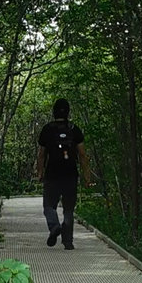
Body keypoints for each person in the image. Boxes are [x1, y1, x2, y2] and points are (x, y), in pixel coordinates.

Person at [36, 98, 91, 250]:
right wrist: (87, 176)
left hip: (52, 174)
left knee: (49, 206)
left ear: (54, 111)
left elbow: (41, 155)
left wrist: (40, 172)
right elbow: (83, 155)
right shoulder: (74, 129)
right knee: (68, 209)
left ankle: (54, 227)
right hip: (70, 175)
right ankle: (68, 242)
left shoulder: (47, 129)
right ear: (68, 112)